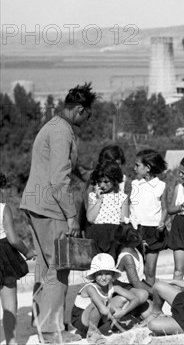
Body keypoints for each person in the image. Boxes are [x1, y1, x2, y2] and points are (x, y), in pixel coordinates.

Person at [20, 82, 97, 342]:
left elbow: (63, 166)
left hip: (36, 204)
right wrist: (72, 215)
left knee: (44, 268)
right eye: (89, 114)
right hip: (51, 207)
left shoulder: (54, 126)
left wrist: (88, 173)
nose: (89, 119)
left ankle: (42, 326)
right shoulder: (62, 132)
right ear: (78, 109)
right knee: (58, 269)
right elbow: (58, 179)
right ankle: (53, 333)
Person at [71, 253, 141, 343]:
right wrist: (113, 313)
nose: (103, 278)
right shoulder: (90, 288)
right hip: (81, 320)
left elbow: (135, 298)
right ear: (94, 275)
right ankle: (92, 333)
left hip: (99, 317)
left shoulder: (113, 287)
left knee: (122, 298)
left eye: (107, 273)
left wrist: (124, 311)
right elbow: (103, 310)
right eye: (99, 274)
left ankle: (107, 325)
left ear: (112, 274)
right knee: (99, 303)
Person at [1, 173, 36, 345]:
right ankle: (11, 341)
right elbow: (13, 239)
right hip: (3, 254)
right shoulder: (3, 208)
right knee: (9, 302)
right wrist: (28, 252)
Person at [129, 149, 168, 286]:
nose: (134, 168)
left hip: (153, 230)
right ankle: (139, 295)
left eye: (137, 165)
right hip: (136, 229)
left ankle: (151, 298)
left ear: (148, 167)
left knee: (150, 269)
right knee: (136, 267)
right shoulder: (134, 184)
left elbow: (164, 208)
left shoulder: (161, 186)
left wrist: (162, 221)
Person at [86, 161, 128, 260]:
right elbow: (90, 218)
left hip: (114, 236)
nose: (102, 185)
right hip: (96, 235)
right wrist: (99, 200)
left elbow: (124, 220)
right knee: (97, 265)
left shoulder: (122, 197)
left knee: (112, 265)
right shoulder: (93, 196)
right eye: (99, 181)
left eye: (106, 182)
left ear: (114, 180)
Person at [113, 224, 152, 310]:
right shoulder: (127, 257)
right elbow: (136, 283)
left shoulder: (135, 249)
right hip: (125, 286)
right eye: (139, 235)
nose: (142, 237)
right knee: (146, 293)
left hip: (133, 285)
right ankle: (127, 311)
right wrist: (153, 291)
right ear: (133, 238)